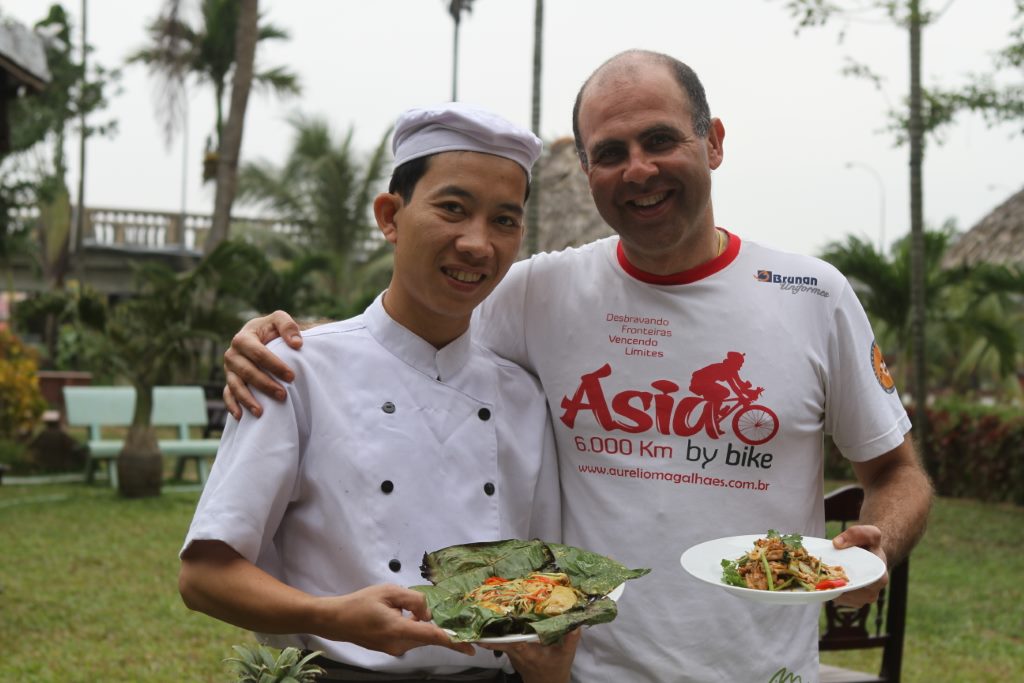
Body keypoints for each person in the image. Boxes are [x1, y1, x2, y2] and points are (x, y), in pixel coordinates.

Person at [222, 50, 933, 683]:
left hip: (762, 667)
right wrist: (278, 338)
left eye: (660, 140)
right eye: (611, 151)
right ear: (587, 171)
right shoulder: (537, 291)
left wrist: (874, 548)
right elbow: (406, 332)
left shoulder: (812, 295)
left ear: (713, 142)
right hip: (578, 669)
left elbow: (897, 472)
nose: (640, 170)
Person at [179, 102, 577, 683]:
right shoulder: (296, 369)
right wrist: (334, 617)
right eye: (453, 209)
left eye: (504, 221)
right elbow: (204, 575)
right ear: (390, 216)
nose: (477, 244)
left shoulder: (522, 396)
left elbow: (546, 587)